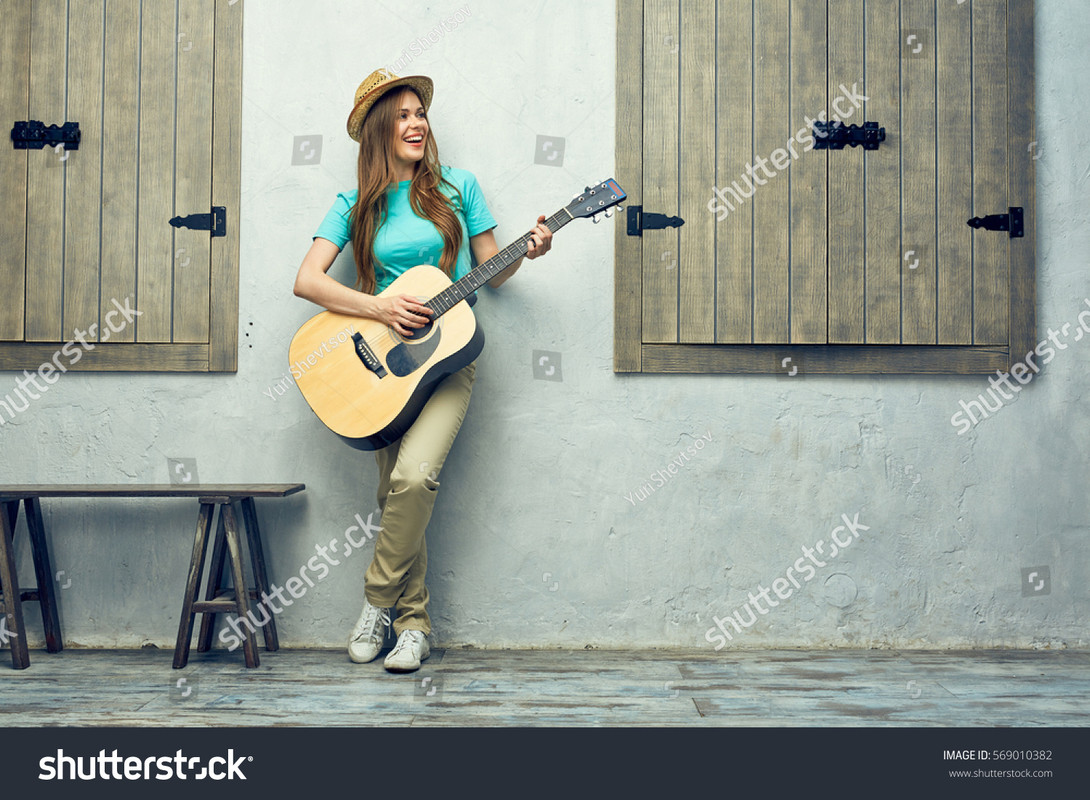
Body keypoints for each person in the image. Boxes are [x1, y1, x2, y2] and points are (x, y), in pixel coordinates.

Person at [293, 69, 552, 672]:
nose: (417, 123)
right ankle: (414, 627)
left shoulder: (460, 187)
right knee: (392, 495)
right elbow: (307, 280)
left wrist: (529, 249)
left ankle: (376, 602)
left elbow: (492, 267)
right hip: (382, 364)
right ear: (380, 131)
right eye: (403, 115)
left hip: (450, 359)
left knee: (412, 481)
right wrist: (379, 305)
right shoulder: (354, 202)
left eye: (420, 113)